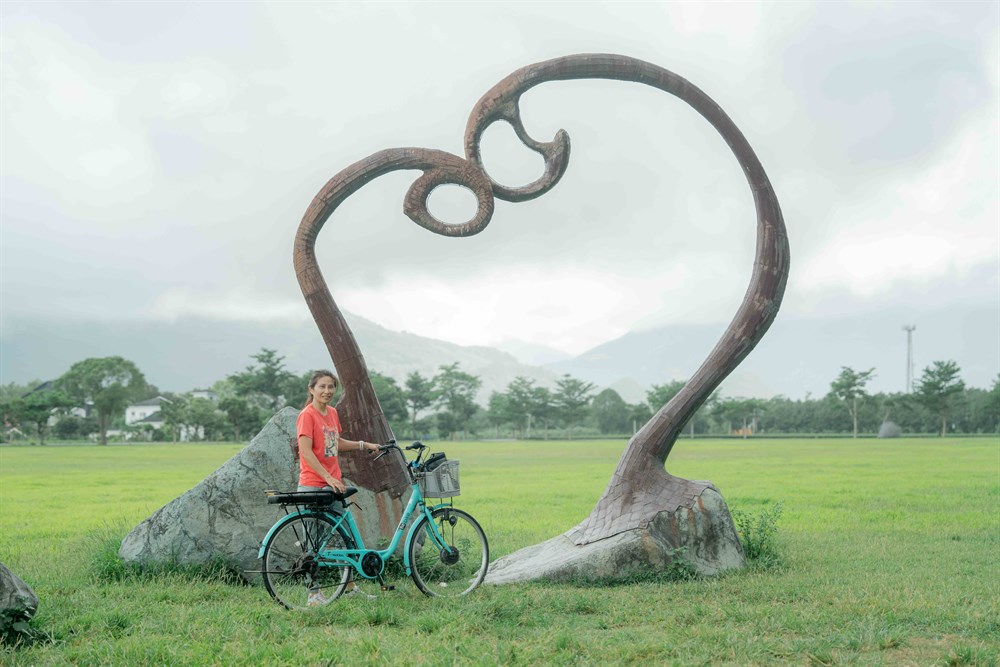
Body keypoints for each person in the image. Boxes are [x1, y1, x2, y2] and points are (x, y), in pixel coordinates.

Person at [296, 369, 378, 605]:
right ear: (311, 389)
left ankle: (349, 587)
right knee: (312, 543)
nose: (327, 391)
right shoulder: (307, 415)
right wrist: (327, 477)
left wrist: (364, 444)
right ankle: (313, 594)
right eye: (322, 386)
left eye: (331, 386)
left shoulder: (332, 413)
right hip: (313, 485)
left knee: (345, 537)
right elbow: (305, 452)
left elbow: (335, 443)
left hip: (334, 485)